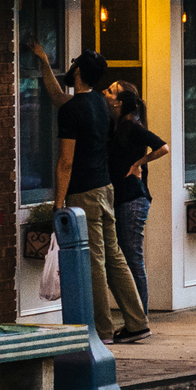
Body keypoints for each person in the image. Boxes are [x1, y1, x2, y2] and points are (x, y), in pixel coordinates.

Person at [40, 47, 150, 344]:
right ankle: (138, 321)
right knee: (114, 257)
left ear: (77, 71)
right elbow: (60, 97)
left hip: (83, 193)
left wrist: (59, 202)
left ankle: (101, 330)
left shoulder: (73, 111)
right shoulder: (100, 104)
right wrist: (42, 60)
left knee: (95, 263)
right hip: (105, 189)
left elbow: (66, 162)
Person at [104, 80, 167, 321]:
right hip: (121, 197)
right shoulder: (117, 125)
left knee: (132, 257)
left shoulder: (133, 126)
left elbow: (163, 147)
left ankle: (141, 316)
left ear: (119, 102)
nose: (105, 92)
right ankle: (135, 314)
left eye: (110, 91)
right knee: (125, 257)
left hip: (133, 199)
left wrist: (138, 164)